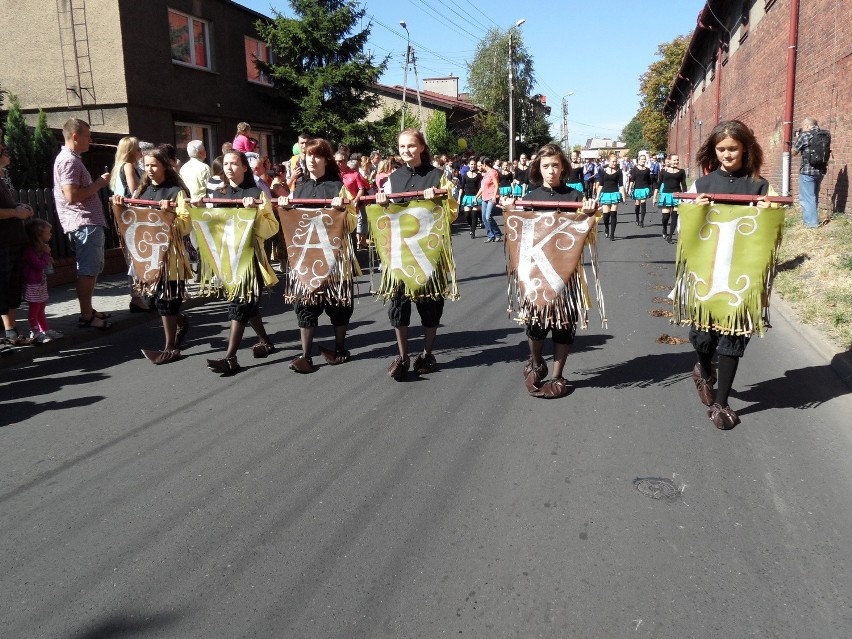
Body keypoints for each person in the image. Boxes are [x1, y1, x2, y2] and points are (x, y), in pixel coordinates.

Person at [685, 120, 775, 430]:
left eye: (733, 149)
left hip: (743, 274)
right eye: (721, 149)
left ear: (745, 149)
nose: (726, 154)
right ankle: (705, 369)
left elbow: (774, 231)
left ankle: (721, 403)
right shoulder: (703, 185)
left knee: (733, 338)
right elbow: (688, 232)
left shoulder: (761, 186)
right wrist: (693, 210)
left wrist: (769, 212)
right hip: (707, 273)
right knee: (701, 336)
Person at [499, 143, 599, 399]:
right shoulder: (530, 196)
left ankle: (557, 375)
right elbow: (518, 230)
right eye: (546, 166)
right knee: (535, 322)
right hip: (535, 271)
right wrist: (509, 207)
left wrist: (590, 212)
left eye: (555, 165)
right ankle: (535, 361)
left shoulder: (576, 197)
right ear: (538, 168)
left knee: (564, 325)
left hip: (565, 272)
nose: (551, 170)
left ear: (563, 167)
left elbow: (587, 232)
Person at [374, 128, 458, 379]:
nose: (406, 151)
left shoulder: (438, 176)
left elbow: (452, 214)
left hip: (427, 252)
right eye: (401, 147)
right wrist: (382, 202)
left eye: (411, 146)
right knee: (398, 304)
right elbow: (387, 212)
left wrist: (439, 202)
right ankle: (402, 356)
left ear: (422, 147)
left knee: (430, 304)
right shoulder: (392, 178)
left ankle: (426, 353)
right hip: (399, 251)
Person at [277, 138, 357, 373]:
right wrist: (285, 205)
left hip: (334, 256)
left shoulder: (337, 187)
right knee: (305, 303)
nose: (311, 160)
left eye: (317, 155)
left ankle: (340, 349)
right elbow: (291, 221)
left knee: (338, 304)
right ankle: (305, 355)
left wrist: (342, 209)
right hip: (307, 256)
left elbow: (351, 222)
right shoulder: (298, 189)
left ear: (325, 159)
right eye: (308, 155)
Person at [200, 150, 278, 375]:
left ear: (245, 167)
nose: (229, 168)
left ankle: (230, 357)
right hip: (228, 259)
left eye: (234, 163)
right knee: (248, 306)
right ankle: (266, 341)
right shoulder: (219, 193)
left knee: (239, 304)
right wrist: (200, 206)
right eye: (225, 164)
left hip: (251, 258)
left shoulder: (257, 192)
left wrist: (253, 211)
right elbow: (212, 225)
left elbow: (271, 228)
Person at [113, 148, 192, 364]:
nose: (150, 169)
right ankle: (180, 322)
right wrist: (122, 204)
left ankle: (170, 347)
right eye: (146, 165)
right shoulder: (142, 191)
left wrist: (170, 215)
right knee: (157, 301)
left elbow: (186, 225)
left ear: (165, 166)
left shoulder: (176, 192)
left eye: (154, 165)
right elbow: (133, 218)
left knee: (168, 301)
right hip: (150, 258)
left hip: (171, 257)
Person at [52, 117, 112, 330]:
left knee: (90, 269)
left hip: (83, 222)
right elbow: (71, 195)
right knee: (87, 270)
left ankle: (88, 310)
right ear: (75, 136)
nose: (91, 139)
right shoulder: (69, 160)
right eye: (88, 135)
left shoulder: (70, 158)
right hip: (83, 223)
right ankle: (86, 315)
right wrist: (99, 184)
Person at [0, 138, 35, 348]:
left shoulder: (3, 178)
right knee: (2, 289)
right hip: (1, 243)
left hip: (13, 240)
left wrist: (19, 207)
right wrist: (15, 212)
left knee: (13, 289)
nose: (4, 150)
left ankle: (11, 331)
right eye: (2, 148)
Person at [21, 218, 62, 344]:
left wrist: (48, 258)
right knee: (35, 308)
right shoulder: (30, 250)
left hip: (40, 283)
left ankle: (44, 329)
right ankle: (35, 331)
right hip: (32, 284)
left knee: (42, 307)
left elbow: (43, 263)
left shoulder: (41, 248)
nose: (50, 234)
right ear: (38, 235)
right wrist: (46, 255)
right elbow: (37, 265)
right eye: (48, 232)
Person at [792, 117, 831, 228]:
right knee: (813, 196)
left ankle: (811, 224)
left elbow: (794, 152)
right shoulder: (825, 135)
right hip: (820, 170)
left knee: (807, 198)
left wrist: (797, 138)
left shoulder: (805, 135)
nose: (803, 129)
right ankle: (810, 220)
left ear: (808, 125)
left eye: (804, 127)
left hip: (807, 171)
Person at [335, 150, 370, 250]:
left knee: (351, 232)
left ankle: (354, 255)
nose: (338, 163)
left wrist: (356, 200)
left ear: (346, 161)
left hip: (351, 208)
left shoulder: (355, 174)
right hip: (336, 208)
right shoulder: (333, 175)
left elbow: (361, 189)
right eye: (336, 161)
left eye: (340, 161)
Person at [653, 154, 687, 243]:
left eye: (677, 160)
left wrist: (685, 196)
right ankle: (664, 229)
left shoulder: (681, 171)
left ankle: (670, 236)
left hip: (677, 195)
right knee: (665, 217)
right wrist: (655, 197)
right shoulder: (663, 171)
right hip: (666, 195)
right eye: (674, 160)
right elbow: (658, 184)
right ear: (670, 161)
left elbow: (684, 185)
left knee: (674, 217)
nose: (676, 162)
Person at [596, 153, 625, 240]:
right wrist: (597, 196)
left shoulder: (619, 171)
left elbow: (621, 185)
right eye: (613, 161)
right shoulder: (603, 171)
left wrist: (623, 195)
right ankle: (606, 227)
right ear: (608, 161)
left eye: (616, 161)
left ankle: (612, 234)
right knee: (606, 216)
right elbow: (601, 185)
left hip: (615, 194)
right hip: (605, 194)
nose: (614, 163)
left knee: (613, 214)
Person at [476, 157, 502, 243]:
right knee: (484, 217)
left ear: (484, 164)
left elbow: (496, 185)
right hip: (484, 197)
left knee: (488, 217)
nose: (480, 167)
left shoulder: (493, 172)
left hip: (491, 196)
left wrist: (494, 196)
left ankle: (497, 233)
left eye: (481, 165)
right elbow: (482, 187)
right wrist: (476, 197)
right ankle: (491, 235)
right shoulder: (485, 174)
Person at [458, 156, 482, 238]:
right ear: (469, 165)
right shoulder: (465, 175)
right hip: (467, 197)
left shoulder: (479, 176)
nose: (473, 166)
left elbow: (480, 187)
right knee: (467, 215)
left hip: (476, 197)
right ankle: (471, 226)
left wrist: (479, 197)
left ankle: (473, 231)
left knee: (474, 215)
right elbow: (462, 187)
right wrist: (459, 198)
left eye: (474, 164)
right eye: (472, 164)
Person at [630, 154, 653, 227]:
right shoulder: (634, 169)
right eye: (642, 159)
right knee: (637, 204)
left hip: (645, 188)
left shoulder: (647, 170)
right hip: (637, 188)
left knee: (643, 204)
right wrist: (630, 188)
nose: (643, 160)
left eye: (644, 159)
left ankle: (642, 221)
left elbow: (649, 180)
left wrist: (651, 189)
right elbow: (632, 179)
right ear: (638, 160)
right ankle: (637, 218)